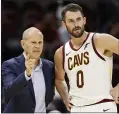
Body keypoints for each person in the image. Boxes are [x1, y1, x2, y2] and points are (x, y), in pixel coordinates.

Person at [54, 3, 119, 112]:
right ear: (64, 25)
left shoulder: (100, 40)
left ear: (84, 20)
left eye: (78, 19)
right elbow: (59, 79)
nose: (76, 24)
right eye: (71, 21)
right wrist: (65, 97)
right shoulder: (60, 53)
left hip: (102, 106)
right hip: (77, 108)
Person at [2, 27, 55, 113]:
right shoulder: (9, 65)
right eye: (33, 42)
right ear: (23, 44)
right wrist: (26, 74)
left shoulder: (49, 66)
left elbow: (49, 95)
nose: (37, 46)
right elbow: (9, 92)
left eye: (40, 42)